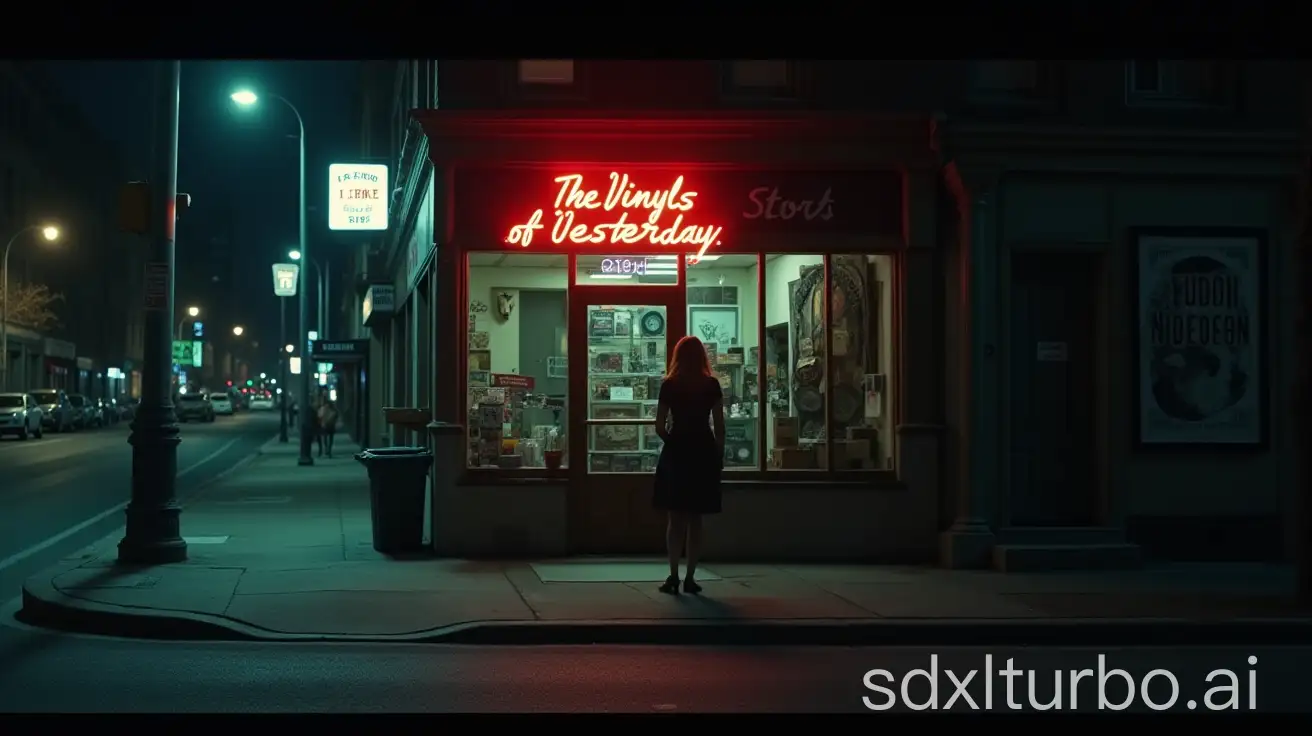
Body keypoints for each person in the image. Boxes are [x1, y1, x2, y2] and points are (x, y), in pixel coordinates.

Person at [652, 335, 725, 595]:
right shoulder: (711, 384)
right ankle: (691, 577)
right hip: (703, 451)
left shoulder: (670, 385)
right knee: (696, 519)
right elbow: (720, 426)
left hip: (678, 453)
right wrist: (718, 455)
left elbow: (660, 425)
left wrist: (673, 442)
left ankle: (672, 575)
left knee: (675, 519)